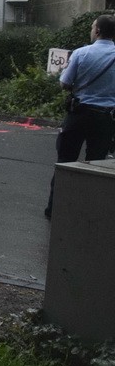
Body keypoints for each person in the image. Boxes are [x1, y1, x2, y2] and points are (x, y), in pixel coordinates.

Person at [45, 14, 115, 218]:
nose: (91, 30)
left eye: (93, 27)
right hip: (106, 119)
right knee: (97, 164)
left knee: (65, 160)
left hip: (79, 114)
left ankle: (54, 209)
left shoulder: (81, 53)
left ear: (98, 31)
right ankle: (90, 211)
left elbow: (64, 84)